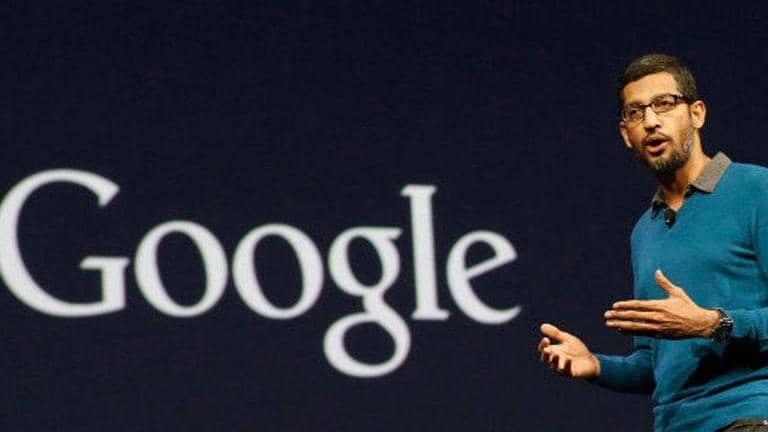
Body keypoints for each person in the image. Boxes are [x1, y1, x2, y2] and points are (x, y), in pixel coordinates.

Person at [537, 53, 768, 432]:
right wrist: (595, 365)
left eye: (664, 104)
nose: (650, 121)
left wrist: (713, 323)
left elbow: (706, 326)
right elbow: (654, 365)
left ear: (697, 114)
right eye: (635, 112)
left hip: (748, 415)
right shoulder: (645, 230)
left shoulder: (757, 189)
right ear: (625, 134)